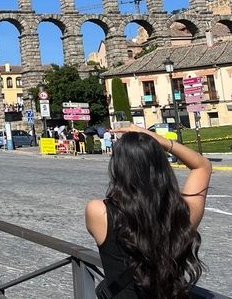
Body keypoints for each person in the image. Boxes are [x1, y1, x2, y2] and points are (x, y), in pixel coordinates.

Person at [85, 124, 212, 298]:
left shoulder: (98, 211)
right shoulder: (184, 213)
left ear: (118, 167)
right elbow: (202, 166)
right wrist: (160, 140)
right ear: (162, 166)